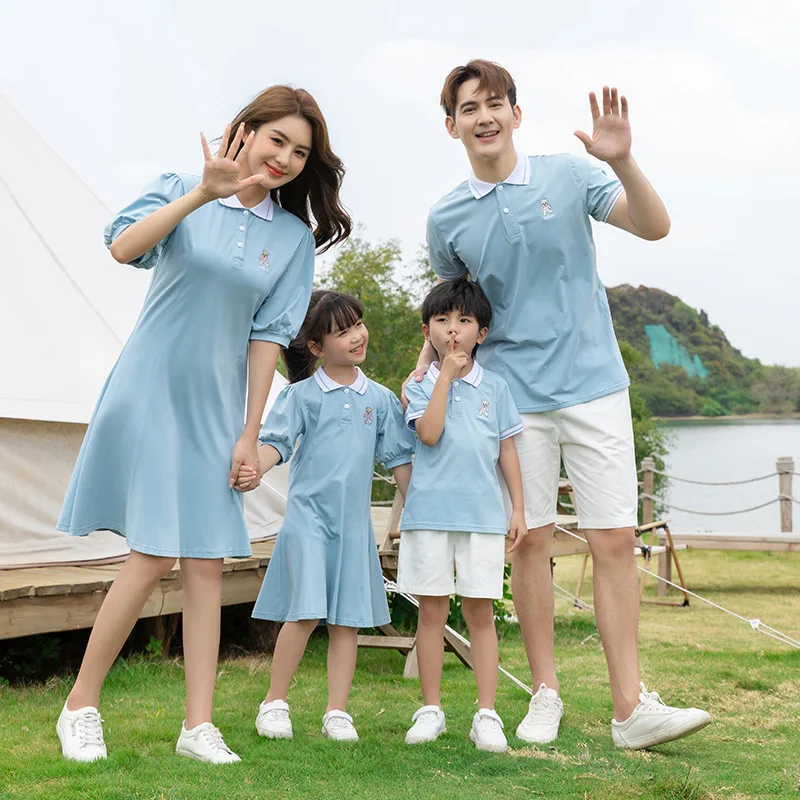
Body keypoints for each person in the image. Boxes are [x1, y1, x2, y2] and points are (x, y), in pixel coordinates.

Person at [405, 59, 711, 750]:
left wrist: (625, 161)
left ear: (515, 113)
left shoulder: (571, 176)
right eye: (469, 107)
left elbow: (653, 226)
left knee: (612, 539)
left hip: (596, 382)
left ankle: (630, 707)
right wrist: (426, 367)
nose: (485, 116)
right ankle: (545, 691)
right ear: (451, 125)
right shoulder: (446, 216)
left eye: (496, 103)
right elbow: (453, 309)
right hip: (513, 393)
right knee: (531, 539)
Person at [56, 86, 352, 764]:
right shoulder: (180, 186)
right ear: (244, 131)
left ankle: (198, 726)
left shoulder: (292, 239)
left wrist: (250, 434)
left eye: (300, 151)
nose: (285, 157)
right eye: (277, 139)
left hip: (217, 407)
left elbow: (267, 340)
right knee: (154, 553)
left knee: (207, 563)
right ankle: (79, 706)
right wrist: (200, 194)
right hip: (150, 388)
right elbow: (123, 248)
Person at [236, 290, 415, 743]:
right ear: (316, 347)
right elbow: (275, 443)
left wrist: (421, 511)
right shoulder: (300, 397)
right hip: (308, 522)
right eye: (342, 331)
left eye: (358, 324)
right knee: (304, 611)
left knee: (347, 621)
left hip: (353, 527)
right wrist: (254, 464)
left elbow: (400, 462)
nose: (357, 336)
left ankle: (337, 712)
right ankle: (274, 703)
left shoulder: (380, 400)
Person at [398, 278, 526, 753]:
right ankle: (430, 709)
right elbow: (428, 435)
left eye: (464, 321)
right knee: (432, 613)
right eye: (442, 320)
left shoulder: (496, 386)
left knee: (480, 613)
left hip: (483, 517)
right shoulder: (416, 386)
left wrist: (519, 508)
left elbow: (507, 449)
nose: (453, 330)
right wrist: (443, 378)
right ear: (427, 330)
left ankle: (486, 715)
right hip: (429, 515)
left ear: (482, 333)